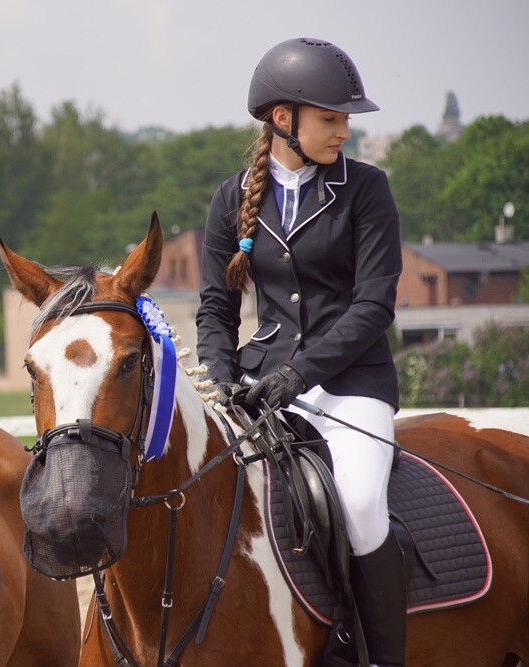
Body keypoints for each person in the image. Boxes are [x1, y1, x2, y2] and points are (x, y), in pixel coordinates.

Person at [196, 38, 406, 666]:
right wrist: (222, 380)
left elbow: (374, 307)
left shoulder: (366, 189)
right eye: (331, 118)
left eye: (346, 120)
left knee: (360, 505)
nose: (345, 131)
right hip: (263, 386)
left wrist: (299, 373)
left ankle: (377, 656)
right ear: (283, 119)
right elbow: (216, 310)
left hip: (353, 384)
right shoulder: (232, 199)